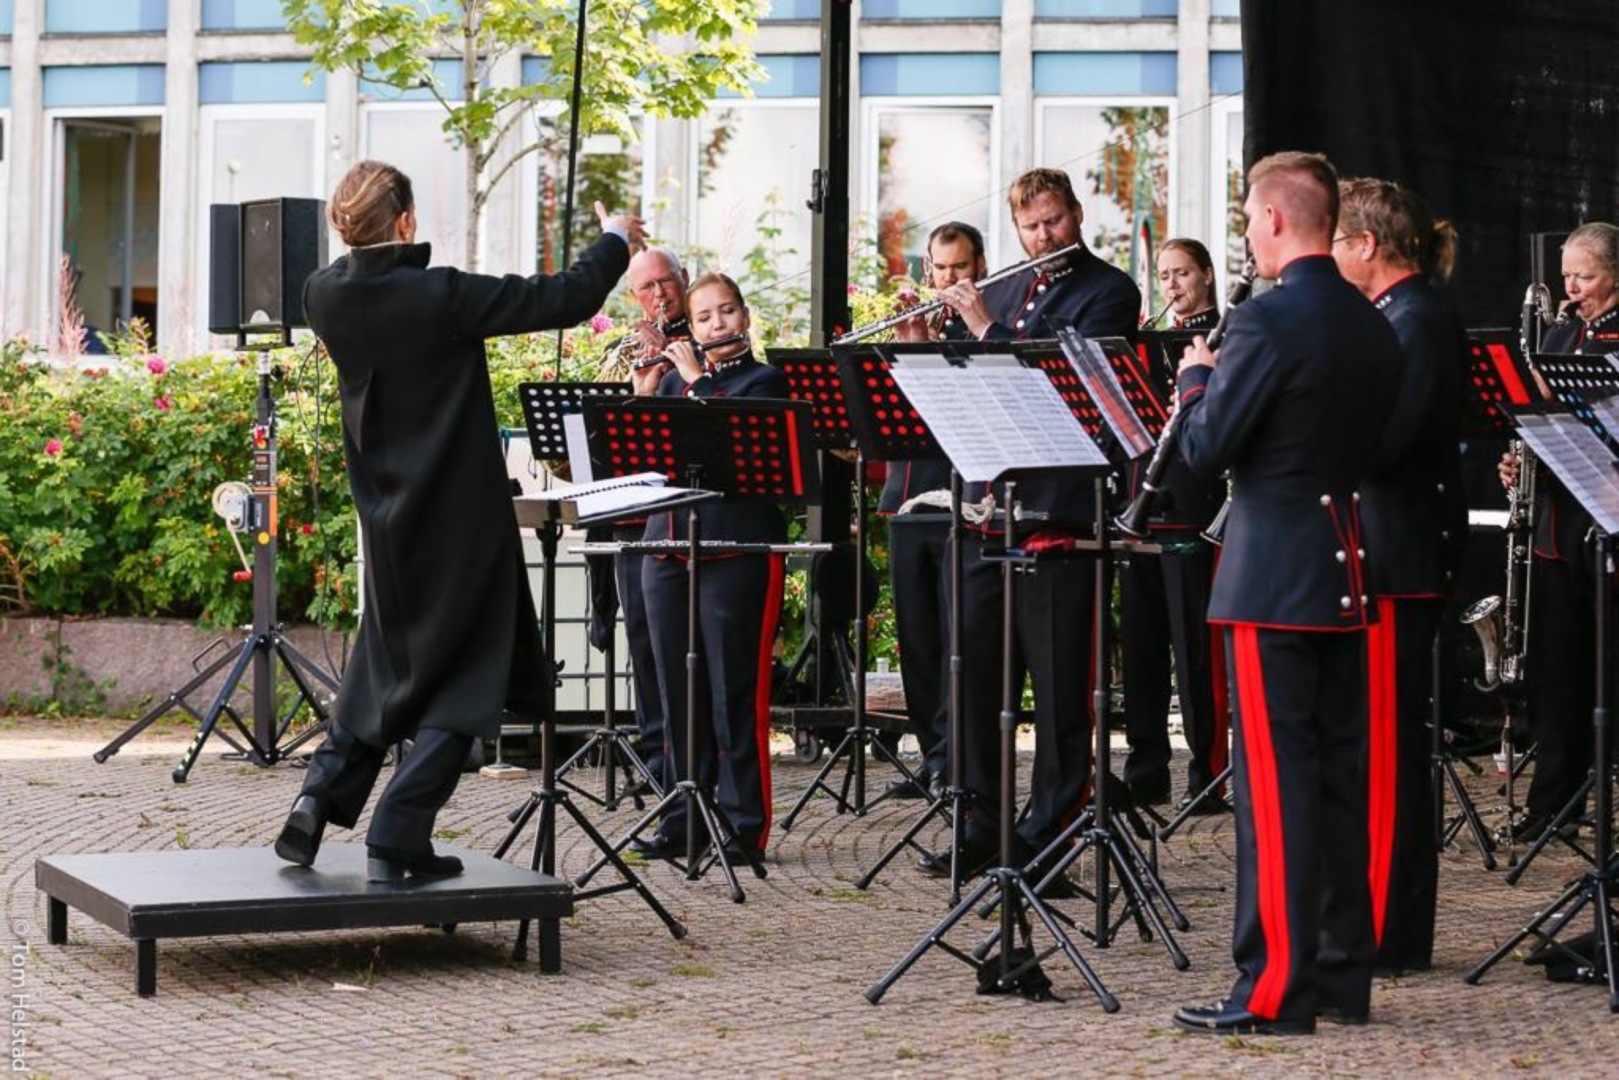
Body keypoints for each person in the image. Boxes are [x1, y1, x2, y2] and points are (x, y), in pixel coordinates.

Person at [273, 160, 643, 881]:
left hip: (385, 520)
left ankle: (317, 798)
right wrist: (614, 238)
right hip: (460, 520)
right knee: (471, 677)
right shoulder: (437, 295)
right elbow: (565, 298)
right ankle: (399, 830)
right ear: (406, 222)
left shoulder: (321, 294)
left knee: (384, 665)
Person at [1171, 151, 1401, 1036]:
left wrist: (1196, 380)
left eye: (1247, 220)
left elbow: (1204, 453)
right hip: (1346, 566)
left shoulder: (1266, 323)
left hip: (1271, 578)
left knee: (1272, 792)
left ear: (1271, 219)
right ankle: (1341, 978)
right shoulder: (1368, 319)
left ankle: (1272, 989)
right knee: (1336, 781)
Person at [926, 167, 1141, 878]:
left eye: (1052, 222)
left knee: (1057, 690)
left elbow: (1060, 384)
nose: (1041, 236)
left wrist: (982, 328)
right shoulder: (1008, 288)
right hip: (992, 511)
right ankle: (981, 827)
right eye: (1029, 226)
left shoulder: (1109, 291)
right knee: (978, 682)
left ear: (1075, 216)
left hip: (1062, 516)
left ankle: (1051, 836)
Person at [1332, 177, 1467, 975]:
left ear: (1365, 247)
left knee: (1385, 749)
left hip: (1397, 555)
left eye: (1337, 243)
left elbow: (1384, 444)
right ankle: (1385, 924)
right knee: (1377, 744)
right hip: (1383, 550)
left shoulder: (1414, 318)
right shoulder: (1398, 315)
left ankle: (1384, 929)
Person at [631, 272, 790, 861]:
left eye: (727, 313)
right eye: (704, 318)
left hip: (737, 550)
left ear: (745, 318)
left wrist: (694, 383)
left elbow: (739, 445)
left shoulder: (763, 379)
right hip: (666, 548)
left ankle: (745, 823)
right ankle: (683, 817)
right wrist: (645, 395)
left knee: (734, 692)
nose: (716, 325)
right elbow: (635, 459)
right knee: (678, 692)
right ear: (691, 327)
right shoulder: (673, 381)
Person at [1500, 222, 1619, 844]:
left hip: (1608, 516)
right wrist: (1521, 457)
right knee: (1558, 664)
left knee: (1606, 663)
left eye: (1587, 277)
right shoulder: (1560, 331)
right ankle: (1555, 800)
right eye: (1567, 276)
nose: (1572, 289)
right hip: (1558, 513)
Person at [878, 221, 987, 804]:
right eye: (940, 269)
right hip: (908, 498)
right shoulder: (915, 330)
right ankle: (932, 754)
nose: (948, 279)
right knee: (917, 638)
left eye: (960, 268)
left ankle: (959, 763)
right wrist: (909, 350)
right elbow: (887, 417)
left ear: (979, 269)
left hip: (961, 501)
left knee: (955, 639)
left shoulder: (985, 331)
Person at [1120, 238, 1230, 813]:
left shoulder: (1226, 337)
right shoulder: (1144, 341)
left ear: (1207, 275)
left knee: (1197, 654)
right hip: (1140, 508)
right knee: (1140, 652)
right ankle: (1146, 770)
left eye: (1182, 273)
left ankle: (1208, 775)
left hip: (1193, 506)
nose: (1172, 286)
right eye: (1164, 276)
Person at [594, 247, 696, 794]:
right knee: (642, 642)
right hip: (635, 518)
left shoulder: (705, 332)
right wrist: (641, 386)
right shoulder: (625, 350)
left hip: (687, 518)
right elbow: (606, 440)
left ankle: (685, 762)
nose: (659, 295)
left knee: (679, 646)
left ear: (684, 281)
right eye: (646, 288)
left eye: (666, 282)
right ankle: (655, 756)